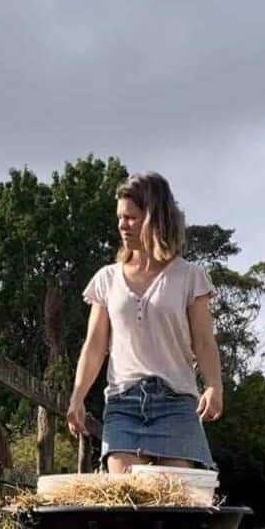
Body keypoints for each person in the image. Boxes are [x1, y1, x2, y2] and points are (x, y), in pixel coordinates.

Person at [66, 172, 223, 472]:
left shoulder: (190, 277)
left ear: (154, 217)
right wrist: (77, 397)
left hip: (176, 404)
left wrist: (214, 386)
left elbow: (204, 341)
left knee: (175, 504)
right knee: (126, 502)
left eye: (131, 218)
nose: (121, 225)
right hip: (124, 405)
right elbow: (95, 345)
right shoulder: (107, 279)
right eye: (120, 218)